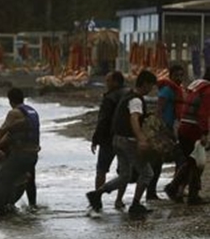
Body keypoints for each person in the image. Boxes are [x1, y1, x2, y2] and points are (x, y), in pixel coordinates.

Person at [87, 70, 157, 218]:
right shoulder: (136, 100)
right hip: (128, 141)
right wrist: (141, 139)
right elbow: (134, 119)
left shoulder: (127, 95)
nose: (151, 89)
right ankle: (136, 204)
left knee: (125, 175)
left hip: (117, 140)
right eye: (150, 86)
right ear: (145, 83)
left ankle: (97, 193)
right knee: (147, 173)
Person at [0, 88, 41, 212]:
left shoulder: (14, 113)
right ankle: (33, 207)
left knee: (1, 180)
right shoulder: (32, 112)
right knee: (30, 181)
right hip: (33, 155)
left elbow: (1, 131)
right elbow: (11, 134)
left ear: (10, 100)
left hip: (21, 155)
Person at [166, 67, 210, 205]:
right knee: (196, 163)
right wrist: (204, 133)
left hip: (184, 127)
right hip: (193, 129)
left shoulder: (197, 85)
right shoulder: (208, 91)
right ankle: (188, 193)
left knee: (190, 161)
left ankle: (177, 189)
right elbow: (203, 114)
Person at [150, 64, 185, 199]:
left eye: (182, 75)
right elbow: (159, 109)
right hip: (165, 130)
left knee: (161, 162)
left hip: (173, 129)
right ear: (171, 76)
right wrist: (160, 128)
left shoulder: (177, 90)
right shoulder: (167, 90)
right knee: (163, 161)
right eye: (177, 75)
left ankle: (157, 191)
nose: (180, 78)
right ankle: (168, 189)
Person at [90, 71, 126, 197]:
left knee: (101, 170)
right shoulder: (129, 95)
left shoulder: (110, 98)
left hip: (108, 139)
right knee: (124, 172)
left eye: (108, 81)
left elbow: (103, 120)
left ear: (116, 82)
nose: (106, 84)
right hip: (125, 137)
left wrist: (95, 138)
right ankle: (119, 200)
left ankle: (97, 198)